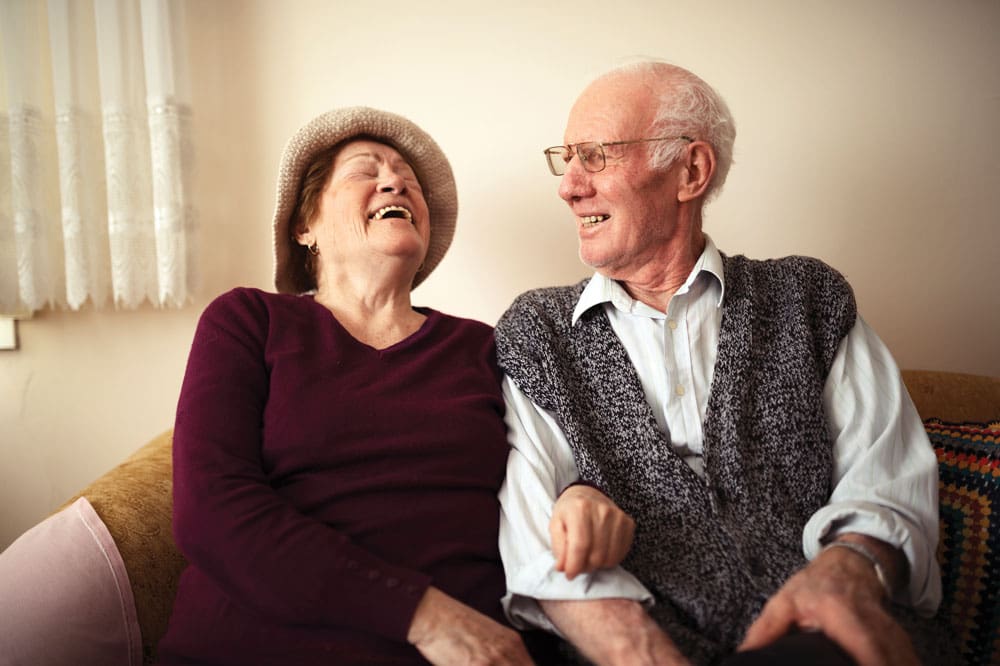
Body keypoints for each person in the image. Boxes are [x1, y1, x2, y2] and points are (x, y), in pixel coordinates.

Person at [495, 61, 958, 666]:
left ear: (690, 170)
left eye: (597, 155)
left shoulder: (806, 300)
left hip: (820, 635)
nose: (569, 185)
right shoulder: (537, 334)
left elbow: (888, 479)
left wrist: (845, 574)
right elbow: (536, 545)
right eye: (567, 158)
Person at [156, 106, 627, 665]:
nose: (395, 180)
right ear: (306, 225)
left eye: (407, 177)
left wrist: (579, 491)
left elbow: (555, 457)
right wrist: (425, 617)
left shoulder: (484, 345)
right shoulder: (249, 321)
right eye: (364, 169)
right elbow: (210, 512)